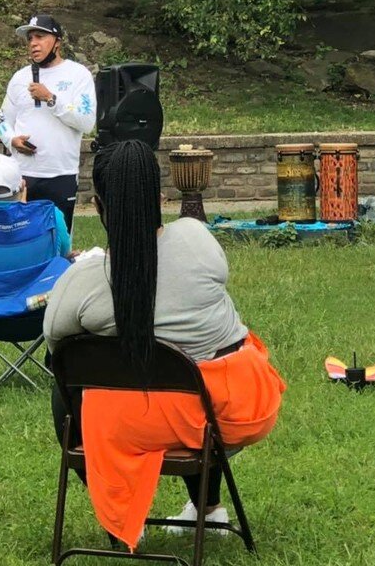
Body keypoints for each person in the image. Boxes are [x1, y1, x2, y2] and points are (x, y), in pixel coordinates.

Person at [44, 140, 285, 549]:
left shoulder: (84, 282)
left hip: (145, 421)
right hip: (235, 409)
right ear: (159, 198)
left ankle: (122, 520)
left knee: (67, 391)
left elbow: (55, 343)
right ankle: (208, 510)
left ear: (99, 208)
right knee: (189, 383)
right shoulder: (197, 239)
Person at [0, 14, 96, 232]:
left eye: (40, 36)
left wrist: (51, 99)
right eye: (30, 38)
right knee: (22, 238)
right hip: (22, 175)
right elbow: (2, 121)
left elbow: (87, 122)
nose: (33, 43)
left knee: (59, 240)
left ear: (57, 42)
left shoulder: (78, 75)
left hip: (61, 174)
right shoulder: (19, 78)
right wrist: (12, 140)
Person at [0, 153, 71, 268]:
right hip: (40, 285)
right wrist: (23, 213)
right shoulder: (51, 215)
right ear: (23, 185)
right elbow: (64, 254)